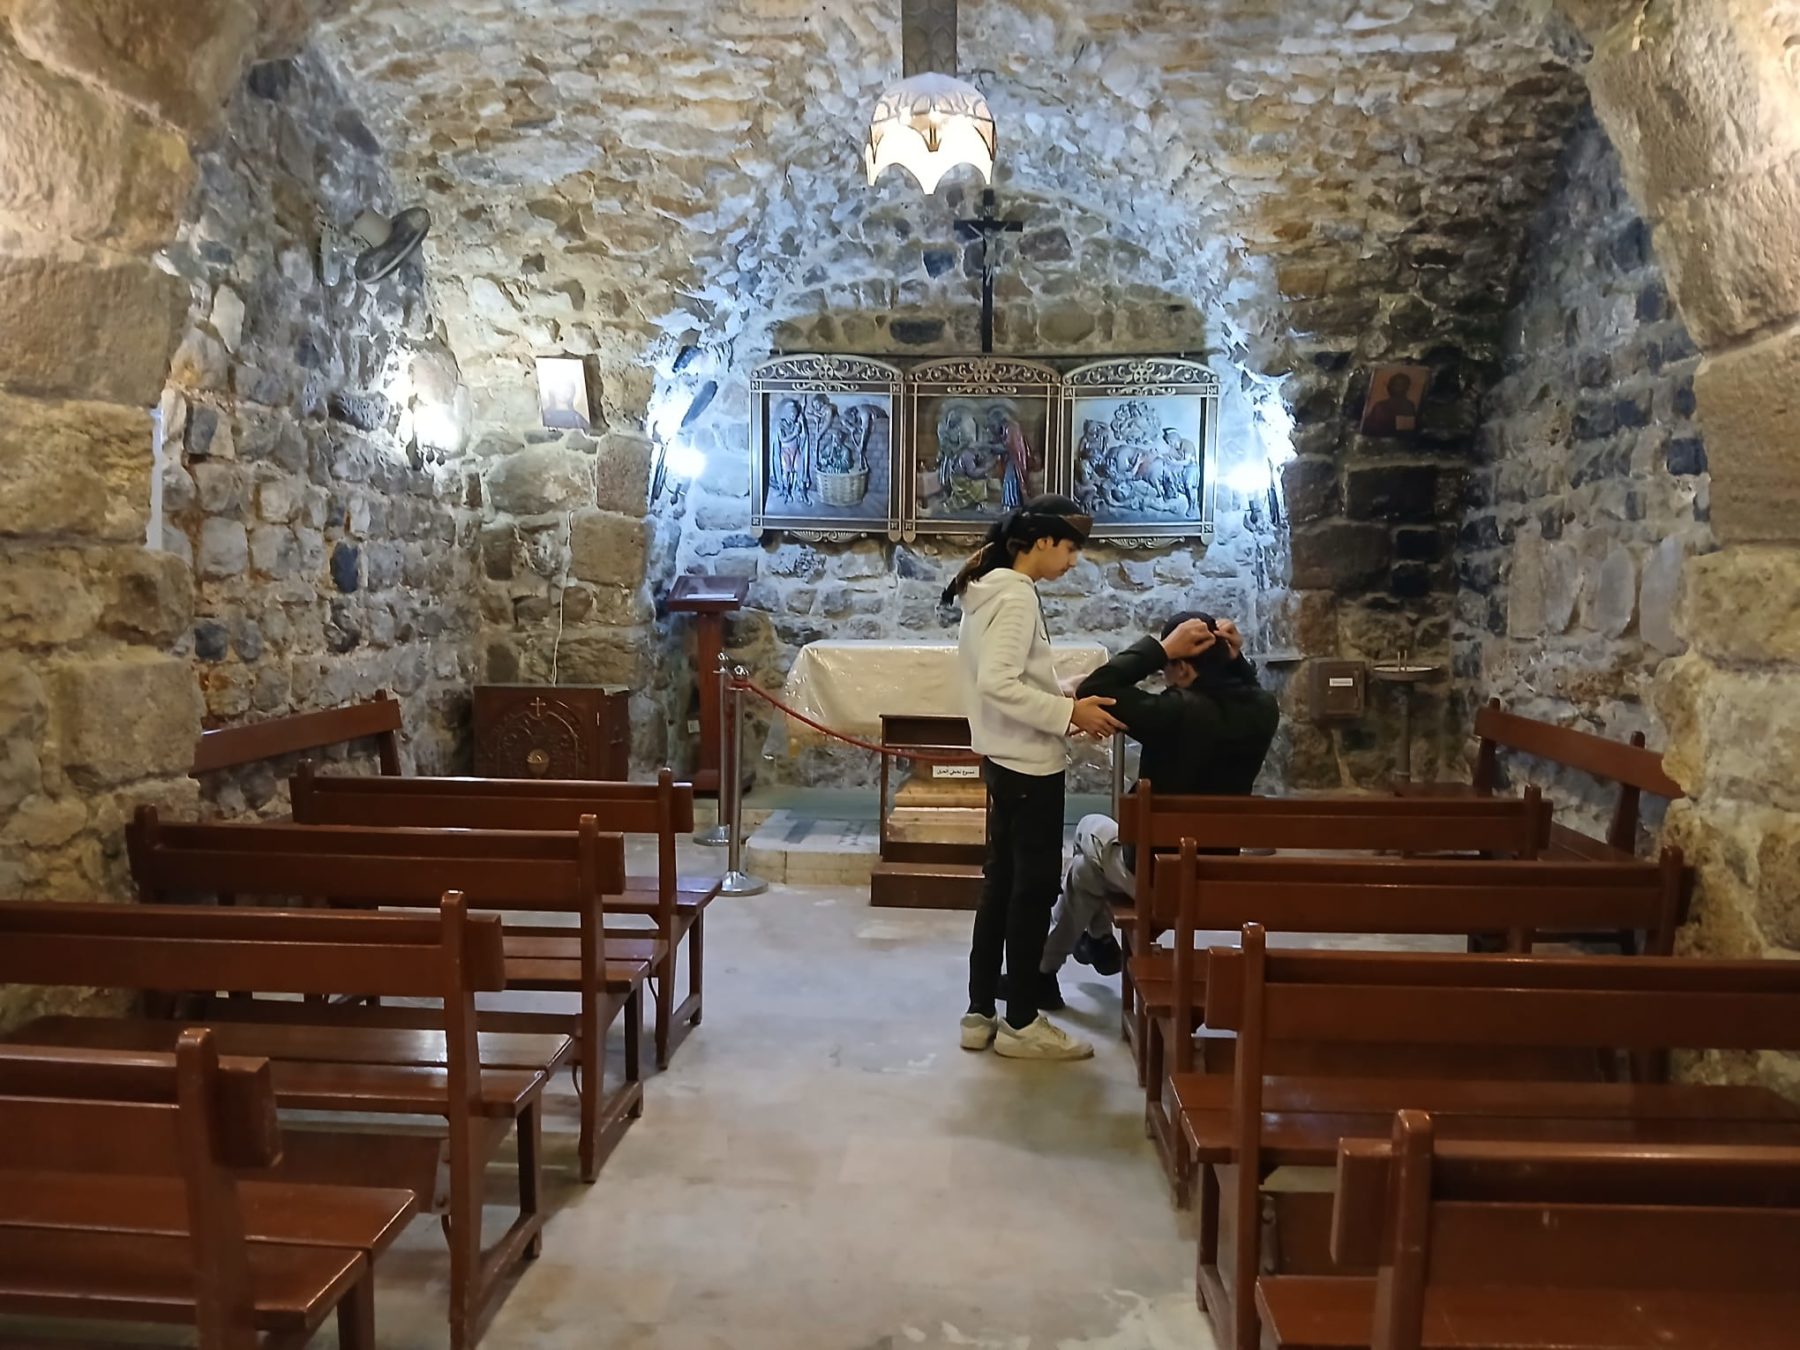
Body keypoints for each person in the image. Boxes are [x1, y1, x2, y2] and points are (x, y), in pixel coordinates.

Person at [942, 494, 1123, 1061]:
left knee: (1000, 888)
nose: (1073, 560)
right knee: (1031, 893)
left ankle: (980, 1013)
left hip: (1005, 757)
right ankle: (1021, 1021)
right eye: (1069, 548)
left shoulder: (989, 587)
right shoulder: (1017, 593)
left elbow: (1008, 676)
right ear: (1042, 541)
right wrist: (1069, 714)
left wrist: (1061, 691)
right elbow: (998, 683)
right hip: (1029, 764)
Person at [1032, 610, 1281, 1005]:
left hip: (1154, 875)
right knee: (1084, 872)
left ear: (1180, 667)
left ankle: (1073, 953)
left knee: (1088, 829)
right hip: (1216, 873)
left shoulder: (1174, 713)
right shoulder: (1264, 709)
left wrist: (1159, 648)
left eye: (1166, 666)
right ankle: (1066, 959)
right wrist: (1234, 661)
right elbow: (1245, 688)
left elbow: (1099, 685)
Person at [1364, 371, 1419, 436]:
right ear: (1389, 386)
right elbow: (1367, 427)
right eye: (1395, 385)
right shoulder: (1380, 406)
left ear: (1407, 387)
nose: (1397, 388)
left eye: (1401, 385)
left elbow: (1408, 430)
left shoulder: (1409, 405)